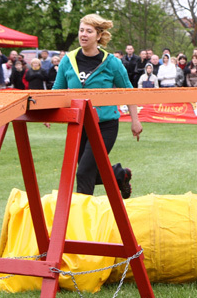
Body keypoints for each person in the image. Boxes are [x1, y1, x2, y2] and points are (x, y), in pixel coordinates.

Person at [52, 14, 142, 198]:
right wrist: (47, 111)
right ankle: (119, 175)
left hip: (105, 126)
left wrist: (135, 121)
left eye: (89, 31)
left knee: (84, 172)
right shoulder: (67, 60)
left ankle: (82, 219)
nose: (83, 34)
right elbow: (56, 91)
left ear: (99, 35)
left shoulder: (112, 63)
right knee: (89, 172)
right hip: (78, 126)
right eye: (81, 30)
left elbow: (129, 91)